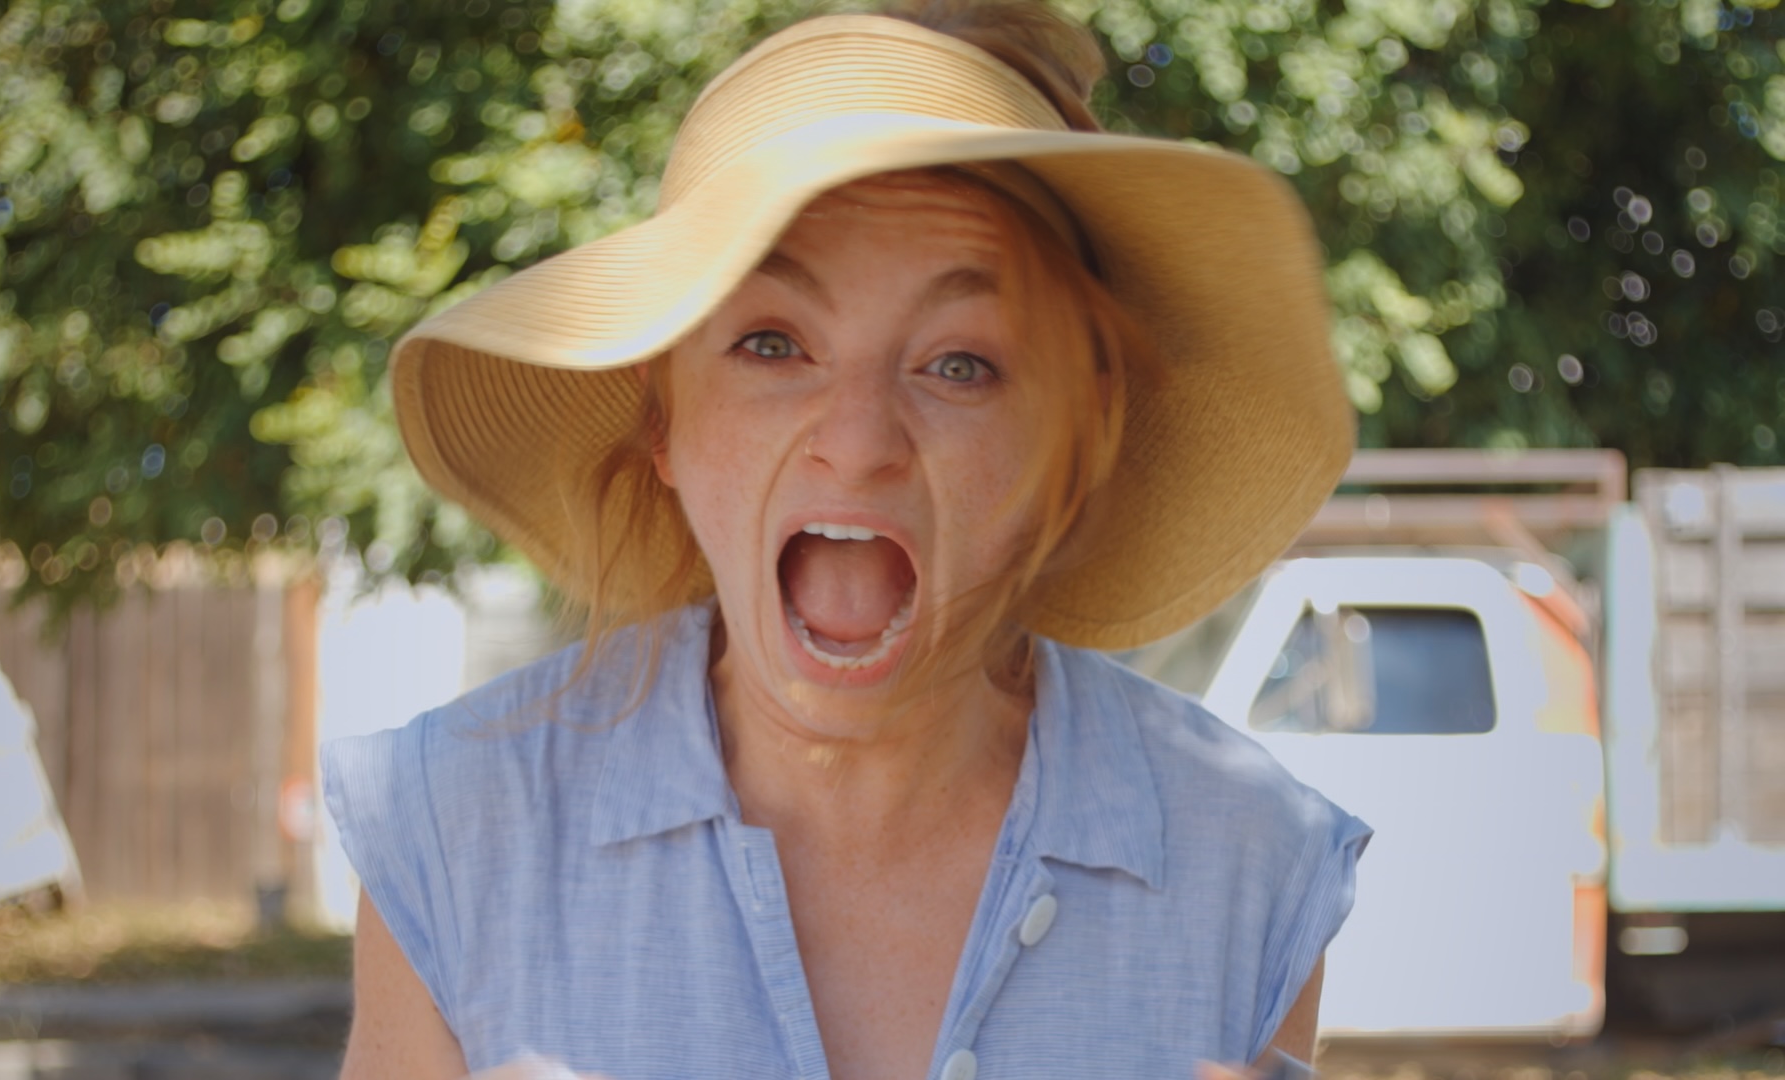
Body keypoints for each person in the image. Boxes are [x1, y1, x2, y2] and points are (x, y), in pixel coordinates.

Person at [322, 2, 1372, 1078]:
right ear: (661, 416)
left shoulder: (1249, 863)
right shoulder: (455, 832)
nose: (860, 443)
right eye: (773, 343)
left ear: (1077, 435)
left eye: (960, 363)